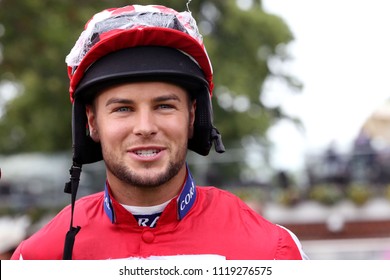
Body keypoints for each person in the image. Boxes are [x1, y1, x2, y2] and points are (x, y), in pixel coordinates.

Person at [11, 4, 307, 260]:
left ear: (193, 116)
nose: (145, 128)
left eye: (164, 106)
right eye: (123, 109)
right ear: (91, 122)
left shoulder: (272, 250)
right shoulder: (38, 256)